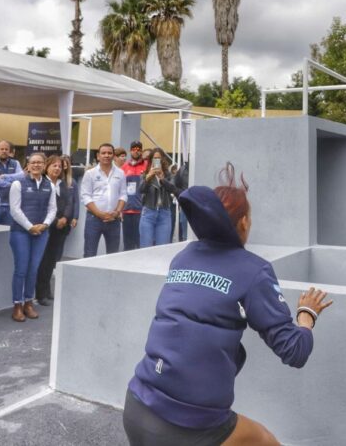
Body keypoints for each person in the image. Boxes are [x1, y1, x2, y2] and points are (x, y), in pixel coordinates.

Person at [123, 163, 333, 445]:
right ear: (244, 222)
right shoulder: (253, 270)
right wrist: (307, 315)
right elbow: (295, 351)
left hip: (137, 403)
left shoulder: (184, 257)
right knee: (266, 441)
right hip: (190, 425)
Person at [8, 152, 56, 321]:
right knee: (21, 270)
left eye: (40, 163)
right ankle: (17, 305)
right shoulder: (17, 183)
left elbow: (52, 209)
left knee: (33, 269)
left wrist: (45, 224)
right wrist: (30, 227)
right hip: (20, 232)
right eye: (33, 162)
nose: (36, 165)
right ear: (27, 165)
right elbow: (15, 210)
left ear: (44, 165)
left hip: (41, 232)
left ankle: (29, 302)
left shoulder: (49, 185)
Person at [35, 155, 78, 306]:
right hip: (47, 227)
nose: (57, 168)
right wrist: (55, 221)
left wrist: (65, 218)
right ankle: (40, 293)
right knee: (43, 261)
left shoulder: (64, 184)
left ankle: (47, 290)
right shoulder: (42, 183)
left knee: (52, 260)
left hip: (61, 228)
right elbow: (42, 207)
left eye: (59, 166)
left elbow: (70, 203)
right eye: (54, 165)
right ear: (47, 167)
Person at [80, 143, 127, 258]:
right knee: (89, 253)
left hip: (113, 219)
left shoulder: (120, 173)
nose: (106, 155)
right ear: (98, 156)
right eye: (103, 153)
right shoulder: (90, 173)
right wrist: (99, 213)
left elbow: (123, 195)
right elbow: (86, 196)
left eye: (109, 153)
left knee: (112, 255)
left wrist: (117, 212)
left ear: (113, 156)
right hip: (94, 219)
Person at [138, 148, 180, 247]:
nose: (157, 160)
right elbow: (140, 190)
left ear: (163, 160)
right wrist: (148, 178)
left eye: (159, 158)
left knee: (162, 248)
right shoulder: (145, 174)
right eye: (154, 158)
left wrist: (162, 179)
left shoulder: (169, 175)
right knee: (146, 247)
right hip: (148, 212)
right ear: (151, 160)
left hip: (164, 213)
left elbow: (172, 189)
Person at [0, 140, 23, 226]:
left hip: (12, 206)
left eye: (6, 149)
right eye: (2, 149)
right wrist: (12, 183)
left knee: (8, 233)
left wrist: (5, 176)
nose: (4, 151)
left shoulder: (16, 163)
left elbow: (22, 178)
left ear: (9, 151)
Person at [121, 141, 147, 251]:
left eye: (138, 149)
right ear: (130, 151)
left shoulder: (146, 166)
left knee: (140, 241)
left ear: (141, 151)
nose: (136, 151)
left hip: (141, 210)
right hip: (126, 210)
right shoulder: (124, 167)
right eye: (133, 149)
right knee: (127, 243)